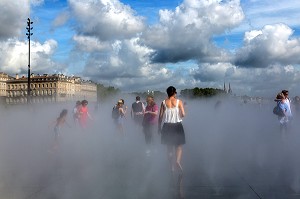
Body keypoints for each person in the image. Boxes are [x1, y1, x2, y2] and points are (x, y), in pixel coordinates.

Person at [158, 86, 185, 173]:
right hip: (177, 125)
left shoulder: (163, 102)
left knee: (169, 147)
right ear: (174, 93)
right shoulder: (179, 102)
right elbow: (183, 114)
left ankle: (172, 167)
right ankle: (177, 161)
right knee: (179, 146)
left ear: (168, 93)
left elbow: (160, 116)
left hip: (167, 126)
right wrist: (180, 113)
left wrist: (159, 127)